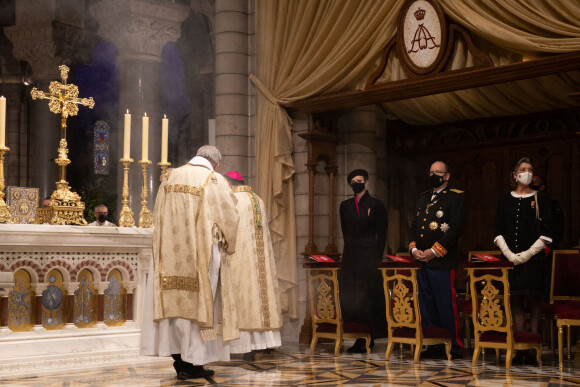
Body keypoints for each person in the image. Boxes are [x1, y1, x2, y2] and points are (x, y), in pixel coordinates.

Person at [141, 145, 240, 380]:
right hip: (200, 255)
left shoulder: (170, 176)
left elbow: (158, 213)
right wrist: (229, 244)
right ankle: (192, 363)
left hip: (168, 256)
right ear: (215, 164)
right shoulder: (213, 179)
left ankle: (178, 358)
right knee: (198, 307)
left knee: (172, 309)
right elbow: (230, 216)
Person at [493, 157, 554, 364]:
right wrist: (510, 255)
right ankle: (520, 349)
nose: (527, 172)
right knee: (516, 301)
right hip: (510, 260)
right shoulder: (505, 199)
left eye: (530, 169)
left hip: (534, 260)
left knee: (534, 302)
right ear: (514, 174)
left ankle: (533, 348)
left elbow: (547, 233)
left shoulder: (540, 198)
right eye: (523, 169)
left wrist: (527, 254)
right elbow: (497, 230)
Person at [409, 161, 465, 359]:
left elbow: (455, 229)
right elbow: (414, 226)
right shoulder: (423, 198)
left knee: (445, 304)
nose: (434, 175)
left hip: (442, 260)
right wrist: (414, 249)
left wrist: (434, 251)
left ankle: (454, 346)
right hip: (422, 261)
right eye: (431, 172)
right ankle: (433, 346)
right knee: (426, 305)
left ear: (447, 176)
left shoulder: (456, 197)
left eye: (438, 172)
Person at [224, 170, 282, 361]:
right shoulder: (258, 199)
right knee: (259, 296)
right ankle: (260, 345)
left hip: (240, 258)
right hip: (259, 261)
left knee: (243, 297)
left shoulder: (234, 200)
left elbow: (227, 230)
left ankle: (242, 347)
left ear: (230, 185)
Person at [338, 168, 387, 353]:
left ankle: (370, 336)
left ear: (366, 182)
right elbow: (345, 231)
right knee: (351, 295)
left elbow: (381, 234)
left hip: (369, 255)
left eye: (359, 180)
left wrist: (377, 257)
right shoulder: (345, 205)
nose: (356, 183)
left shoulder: (376, 205)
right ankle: (357, 336)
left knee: (368, 296)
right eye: (353, 181)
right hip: (351, 255)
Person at [530, 174, 564, 302]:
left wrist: (548, 247)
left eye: (534, 184)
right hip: (527, 254)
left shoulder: (551, 204)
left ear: (542, 186)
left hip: (545, 253)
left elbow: (557, 229)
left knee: (546, 290)